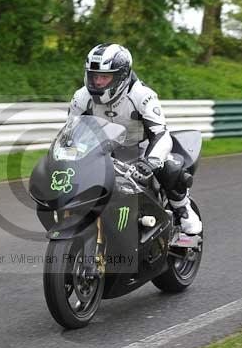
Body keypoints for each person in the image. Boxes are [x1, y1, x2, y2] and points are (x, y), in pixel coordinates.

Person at [68, 42, 202, 234]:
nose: (97, 82)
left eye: (104, 77)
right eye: (95, 76)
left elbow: (161, 134)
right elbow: (71, 132)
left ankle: (182, 208)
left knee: (172, 168)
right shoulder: (81, 97)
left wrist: (150, 162)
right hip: (104, 150)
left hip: (142, 150)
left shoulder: (143, 95)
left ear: (121, 76)